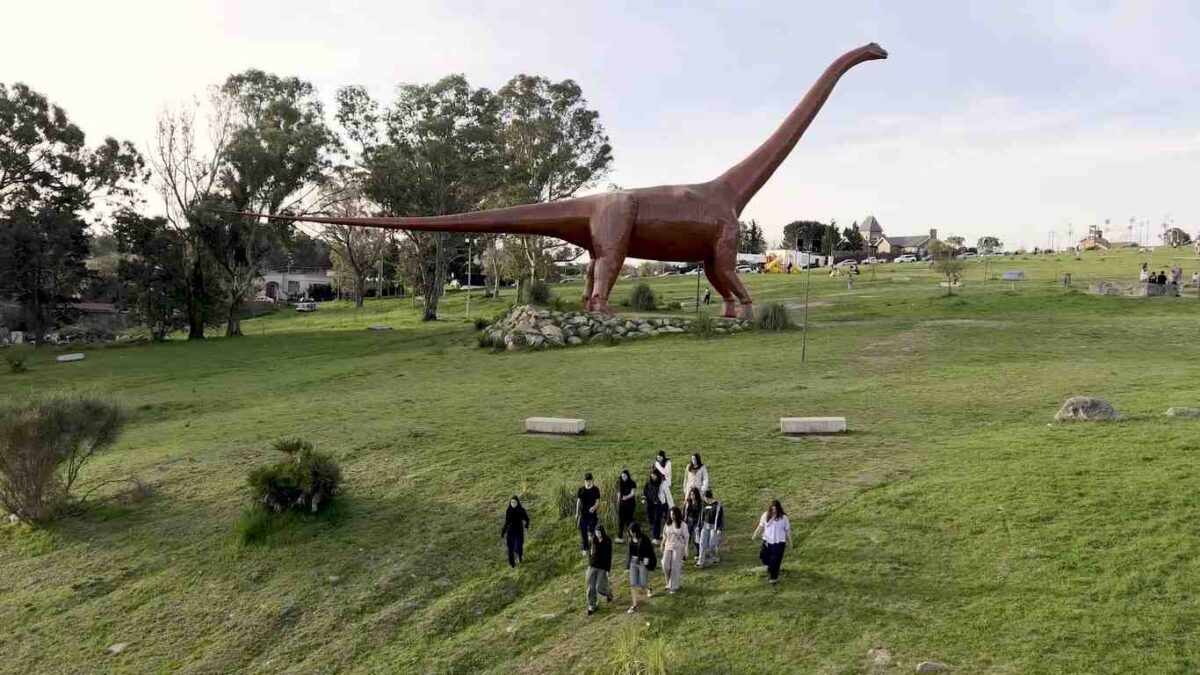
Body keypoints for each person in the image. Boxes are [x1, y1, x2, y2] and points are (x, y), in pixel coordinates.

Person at [751, 499, 794, 584]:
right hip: (767, 542)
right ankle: (770, 568)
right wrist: (754, 535)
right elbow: (761, 526)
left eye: (775, 509)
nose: (774, 511)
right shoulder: (765, 515)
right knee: (763, 557)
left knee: (775, 561)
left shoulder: (783, 518)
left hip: (779, 543)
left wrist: (791, 542)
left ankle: (773, 579)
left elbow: (788, 531)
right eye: (772, 509)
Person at [625, 523, 656, 612]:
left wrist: (647, 560)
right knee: (633, 583)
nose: (632, 534)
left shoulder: (644, 539)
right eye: (630, 533)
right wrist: (627, 566)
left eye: (633, 533)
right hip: (633, 563)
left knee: (643, 583)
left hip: (642, 562)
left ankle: (648, 587)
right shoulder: (630, 539)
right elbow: (628, 553)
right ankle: (634, 604)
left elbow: (650, 551)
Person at [586, 525, 614, 615]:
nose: (598, 534)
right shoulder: (593, 540)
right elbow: (590, 552)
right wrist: (590, 562)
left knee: (599, 587)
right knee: (591, 587)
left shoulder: (607, 541)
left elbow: (609, 556)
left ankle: (608, 593)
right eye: (596, 532)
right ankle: (592, 605)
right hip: (593, 566)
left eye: (599, 532)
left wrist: (608, 569)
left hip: (602, 567)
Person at [661, 506, 690, 593]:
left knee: (675, 567)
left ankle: (673, 586)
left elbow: (687, 537)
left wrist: (686, 550)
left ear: (677, 515)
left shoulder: (683, 525)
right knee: (665, 565)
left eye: (673, 514)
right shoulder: (667, 524)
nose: (672, 516)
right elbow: (664, 536)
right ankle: (669, 582)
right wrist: (662, 544)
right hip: (668, 546)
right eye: (670, 514)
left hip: (678, 546)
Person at [500, 495, 530, 568]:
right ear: (510, 503)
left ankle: (519, 556)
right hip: (510, 531)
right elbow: (506, 522)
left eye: (514, 502)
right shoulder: (509, 510)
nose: (513, 504)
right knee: (510, 548)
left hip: (519, 531)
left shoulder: (521, 510)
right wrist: (503, 531)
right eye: (512, 502)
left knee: (518, 546)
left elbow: (526, 518)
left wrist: (526, 525)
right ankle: (512, 564)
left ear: (517, 503)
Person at [697, 488, 724, 567]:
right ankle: (700, 560)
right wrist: (699, 526)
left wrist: (720, 528)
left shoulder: (717, 505)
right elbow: (701, 515)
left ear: (709, 497)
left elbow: (720, 517)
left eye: (705, 497)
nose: (705, 499)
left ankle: (714, 558)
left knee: (712, 544)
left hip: (713, 526)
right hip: (705, 525)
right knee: (702, 543)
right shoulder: (704, 504)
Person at [576, 472, 601, 557]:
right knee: (583, 532)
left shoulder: (596, 489)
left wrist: (594, 507)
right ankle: (585, 548)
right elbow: (578, 502)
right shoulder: (581, 490)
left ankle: (592, 546)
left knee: (592, 532)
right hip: (583, 515)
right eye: (586, 481)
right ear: (584, 481)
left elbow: (598, 501)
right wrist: (577, 513)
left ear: (592, 480)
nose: (588, 482)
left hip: (592, 515)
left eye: (589, 480)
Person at [643, 468, 666, 543]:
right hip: (650, 504)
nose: (653, 477)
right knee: (652, 519)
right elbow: (645, 492)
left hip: (658, 504)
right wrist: (644, 499)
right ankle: (657, 533)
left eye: (655, 476)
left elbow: (665, 494)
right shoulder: (648, 483)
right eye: (652, 476)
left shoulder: (661, 483)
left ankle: (656, 537)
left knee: (657, 519)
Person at [616, 468, 637, 543]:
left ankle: (632, 537)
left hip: (630, 504)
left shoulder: (632, 483)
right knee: (621, 521)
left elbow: (633, 493)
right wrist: (618, 500)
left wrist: (626, 497)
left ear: (628, 476)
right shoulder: (619, 483)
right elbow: (619, 492)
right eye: (622, 476)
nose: (623, 477)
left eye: (624, 476)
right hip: (622, 504)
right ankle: (620, 537)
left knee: (629, 521)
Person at [683, 487, 703, 559]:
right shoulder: (688, 502)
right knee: (686, 537)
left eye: (693, 495)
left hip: (696, 521)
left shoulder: (700, 503)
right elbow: (684, 513)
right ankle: (684, 554)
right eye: (691, 494)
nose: (692, 496)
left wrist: (699, 524)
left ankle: (698, 553)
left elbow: (701, 514)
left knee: (696, 537)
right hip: (688, 521)